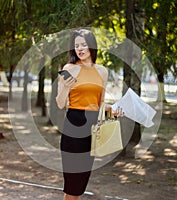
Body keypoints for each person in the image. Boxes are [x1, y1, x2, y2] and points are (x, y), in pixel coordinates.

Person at [56, 29, 123, 200]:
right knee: (72, 184)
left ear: (92, 46)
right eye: (77, 45)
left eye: (84, 45)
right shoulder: (69, 68)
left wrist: (112, 112)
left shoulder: (102, 71)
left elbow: (100, 104)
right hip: (73, 125)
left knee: (80, 185)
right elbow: (60, 103)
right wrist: (65, 85)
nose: (80, 49)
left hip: (92, 129)